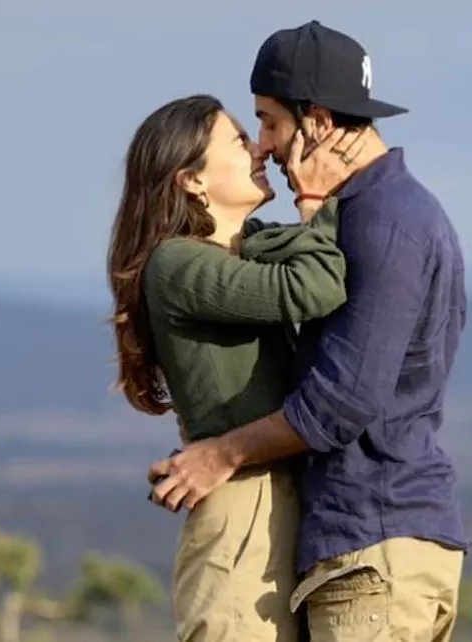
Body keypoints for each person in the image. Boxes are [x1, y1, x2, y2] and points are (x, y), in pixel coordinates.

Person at [149, 21, 470, 642]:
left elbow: (340, 404)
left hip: (373, 539)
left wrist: (220, 453)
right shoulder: (393, 212)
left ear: (317, 122)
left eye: (269, 122)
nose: (265, 146)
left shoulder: (377, 222)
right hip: (382, 540)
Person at [107, 93, 356, 641]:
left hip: (273, 502)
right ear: (192, 180)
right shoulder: (178, 262)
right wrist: (315, 199)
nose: (260, 149)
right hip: (242, 510)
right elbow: (314, 286)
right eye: (239, 140)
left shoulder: (246, 245)